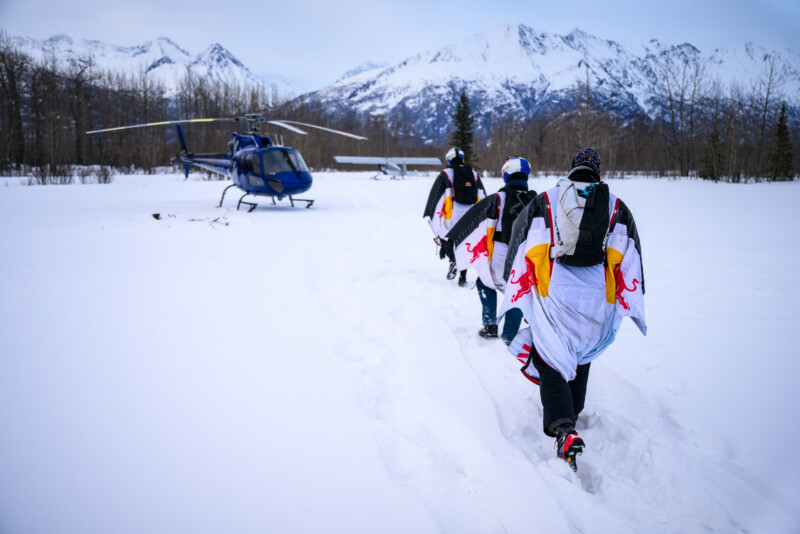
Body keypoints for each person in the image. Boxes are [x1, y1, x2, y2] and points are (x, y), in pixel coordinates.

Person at [499, 148, 646, 471]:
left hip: (557, 293)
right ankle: (574, 409)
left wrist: (516, 289)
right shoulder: (616, 206)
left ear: (573, 168)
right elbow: (630, 255)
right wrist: (629, 303)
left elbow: (524, 243)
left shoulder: (548, 200)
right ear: (598, 171)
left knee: (550, 356)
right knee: (582, 353)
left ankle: (564, 428)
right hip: (598, 299)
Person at [439, 156, 536, 345]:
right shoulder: (537, 201)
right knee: (516, 293)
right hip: (524, 257)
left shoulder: (498, 198)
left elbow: (471, 219)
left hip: (500, 253)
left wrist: (450, 240)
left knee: (485, 283)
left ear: (506, 174)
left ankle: (490, 325)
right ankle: (510, 336)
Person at [424, 147, 486, 286]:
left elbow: (436, 196)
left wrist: (431, 213)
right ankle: (463, 278)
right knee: (465, 243)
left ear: (449, 159)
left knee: (448, 238)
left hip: (451, 214)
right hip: (469, 213)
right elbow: (482, 195)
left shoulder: (445, 174)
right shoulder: (474, 174)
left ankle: (453, 260)